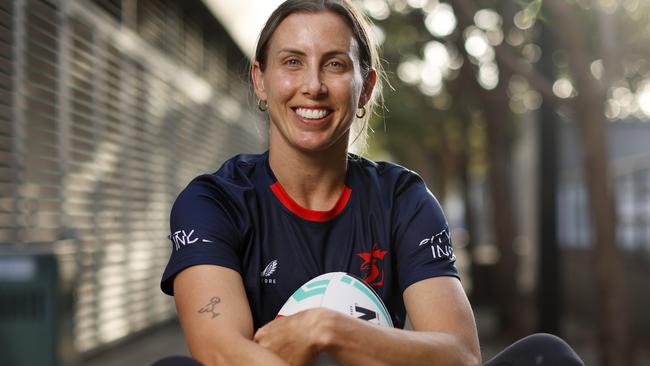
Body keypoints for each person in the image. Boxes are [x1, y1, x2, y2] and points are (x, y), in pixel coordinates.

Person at [157, 1, 584, 365]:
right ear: (260, 81)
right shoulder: (213, 201)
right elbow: (221, 354)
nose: (313, 86)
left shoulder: (402, 199)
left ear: (365, 89)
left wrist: (331, 330)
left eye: (336, 64)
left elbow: (460, 353)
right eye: (292, 62)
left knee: (546, 355)